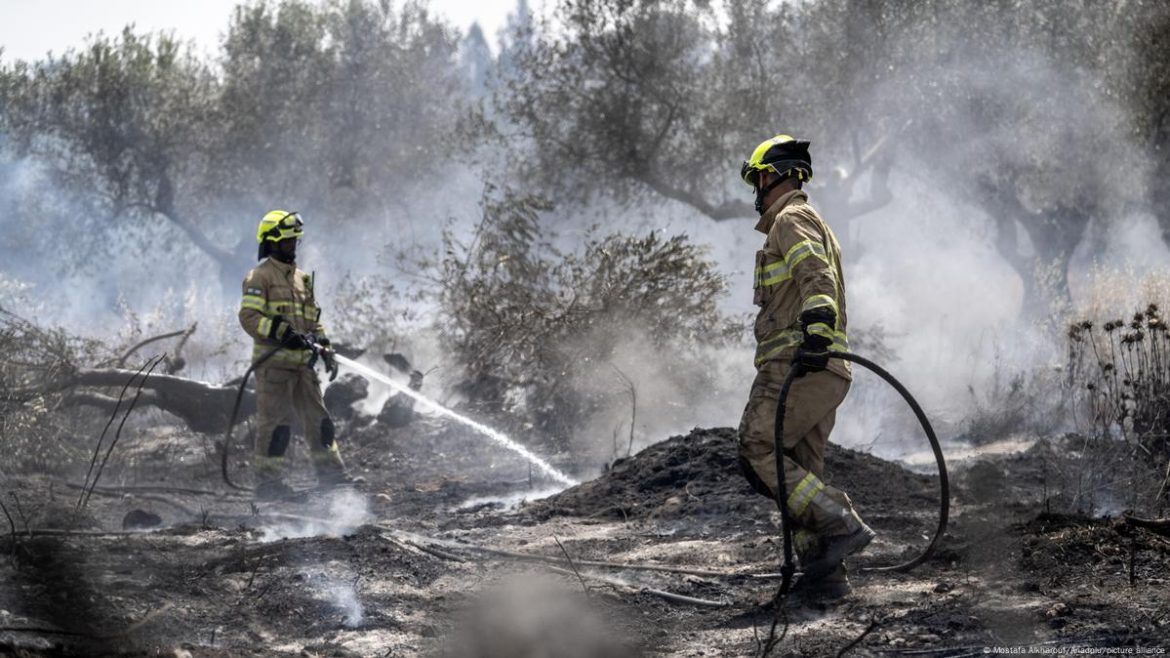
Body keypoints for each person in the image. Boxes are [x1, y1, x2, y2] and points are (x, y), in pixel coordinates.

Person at [737, 135, 874, 599]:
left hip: (800, 363)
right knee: (799, 469)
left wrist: (815, 328)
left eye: (758, 178)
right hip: (823, 369)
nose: (757, 188)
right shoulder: (807, 220)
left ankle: (840, 522)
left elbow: (816, 274)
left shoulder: (791, 219)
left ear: (774, 174)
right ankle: (825, 577)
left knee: (758, 448)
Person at [238, 210, 360, 500]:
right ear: (271, 242)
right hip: (274, 368)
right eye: (287, 242)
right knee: (276, 426)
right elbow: (249, 317)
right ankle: (269, 486)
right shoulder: (259, 277)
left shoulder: (302, 280)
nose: (293, 247)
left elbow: (312, 320)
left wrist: (325, 346)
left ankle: (332, 477)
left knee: (320, 422)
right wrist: (281, 332)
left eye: (295, 241)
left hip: (303, 367)